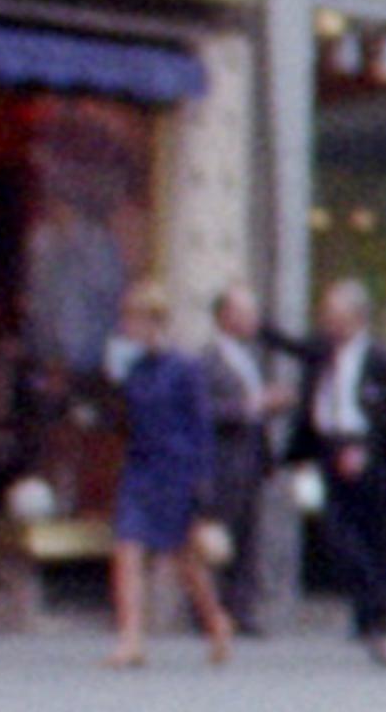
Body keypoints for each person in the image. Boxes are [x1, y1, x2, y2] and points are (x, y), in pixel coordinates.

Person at [102, 283, 230, 670]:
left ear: (153, 321)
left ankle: (216, 621)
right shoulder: (135, 368)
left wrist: (203, 483)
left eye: (134, 319)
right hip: (140, 469)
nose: (128, 327)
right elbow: (124, 419)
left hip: (176, 471)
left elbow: (201, 427)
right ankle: (131, 638)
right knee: (127, 550)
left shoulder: (185, 367)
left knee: (184, 561)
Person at [286, 278, 386, 660]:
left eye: (335, 316)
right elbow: (291, 348)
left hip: (363, 452)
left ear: (356, 317)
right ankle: (369, 605)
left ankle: (374, 609)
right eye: (326, 316)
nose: (328, 323)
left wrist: (365, 450)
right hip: (327, 448)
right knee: (335, 533)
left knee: (367, 534)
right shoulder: (324, 352)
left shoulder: (380, 359)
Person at [199, 284, 292, 635]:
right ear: (225, 317)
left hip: (252, 458)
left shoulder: (250, 356)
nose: (254, 320)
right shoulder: (209, 360)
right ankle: (213, 610)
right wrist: (253, 405)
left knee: (250, 537)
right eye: (245, 313)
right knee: (221, 538)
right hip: (225, 460)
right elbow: (207, 409)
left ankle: (242, 609)